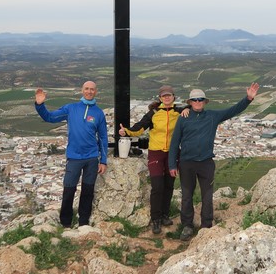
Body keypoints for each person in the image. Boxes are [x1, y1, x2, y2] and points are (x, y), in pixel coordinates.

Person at [169, 83, 260, 240]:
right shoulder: (183, 118)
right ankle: (187, 225)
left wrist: (248, 99)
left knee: (207, 195)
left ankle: (206, 225)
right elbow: (175, 142)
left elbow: (233, 111)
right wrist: (172, 164)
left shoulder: (212, 116)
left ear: (205, 102)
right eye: (195, 100)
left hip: (206, 163)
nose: (198, 102)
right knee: (186, 195)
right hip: (187, 163)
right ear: (190, 102)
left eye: (201, 99)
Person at [34, 81, 108, 227]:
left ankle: (83, 222)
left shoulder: (99, 113)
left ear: (96, 91)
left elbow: (103, 137)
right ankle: (66, 223)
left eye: (92, 89)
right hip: (74, 157)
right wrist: (40, 105)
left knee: (88, 191)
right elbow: (49, 117)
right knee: (69, 190)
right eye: (86, 89)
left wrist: (103, 160)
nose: (89, 91)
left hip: (92, 158)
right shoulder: (71, 108)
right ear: (82, 90)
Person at [118, 85, 189, 235]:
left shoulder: (179, 111)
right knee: (157, 186)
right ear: (160, 98)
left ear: (174, 97)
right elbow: (139, 128)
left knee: (169, 185)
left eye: (169, 95)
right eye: (164, 96)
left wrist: (187, 108)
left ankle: (165, 215)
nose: (167, 98)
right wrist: (126, 131)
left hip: (173, 153)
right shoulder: (154, 113)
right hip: (156, 152)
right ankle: (155, 218)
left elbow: (194, 108)